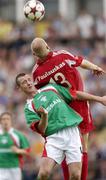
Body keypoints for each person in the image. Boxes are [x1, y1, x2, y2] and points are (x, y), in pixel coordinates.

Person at [31, 38, 106, 180]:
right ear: (47, 45)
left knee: (67, 147)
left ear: (34, 55)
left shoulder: (36, 74)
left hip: (61, 108)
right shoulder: (62, 55)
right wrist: (95, 67)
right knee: (82, 146)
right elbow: (80, 61)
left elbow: (43, 95)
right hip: (79, 101)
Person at [15, 73, 106, 180]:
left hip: (72, 132)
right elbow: (41, 129)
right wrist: (44, 116)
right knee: (44, 173)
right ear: (19, 88)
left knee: (76, 175)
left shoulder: (50, 88)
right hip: (54, 138)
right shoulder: (29, 107)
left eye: (29, 79)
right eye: (24, 82)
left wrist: (99, 99)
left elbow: (75, 94)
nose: (28, 83)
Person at [0, 112, 30, 180]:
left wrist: (18, 150)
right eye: (3, 119)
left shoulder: (18, 135)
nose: (5, 121)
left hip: (14, 167)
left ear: (11, 121)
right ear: (0, 121)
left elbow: (27, 151)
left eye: (7, 119)